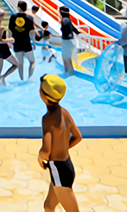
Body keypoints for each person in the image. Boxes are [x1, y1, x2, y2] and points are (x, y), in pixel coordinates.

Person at [38, 74, 82, 212]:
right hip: (66, 166)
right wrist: (62, 147)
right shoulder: (64, 112)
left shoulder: (47, 119)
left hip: (58, 169)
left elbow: (46, 150)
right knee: (49, 206)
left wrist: (40, 158)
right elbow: (77, 137)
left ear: (44, 95)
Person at [8, 1, 37, 81]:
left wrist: (9, 41)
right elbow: (32, 32)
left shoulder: (13, 17)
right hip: (26, 44)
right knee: (32, 62)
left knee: (20, 63)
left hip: (17, 44)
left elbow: (9, 31)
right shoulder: (29, 18)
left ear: (18, 7)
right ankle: (29, 78)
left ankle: (22, 79)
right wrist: (34, 43)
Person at [0, 9, 18, 85]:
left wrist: (7, 42)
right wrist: (10, 40)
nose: (3, 17)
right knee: (16, 64)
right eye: (2, 15)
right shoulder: (1, 27)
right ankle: (4, 77)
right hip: (4, 50)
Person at [59, 7, 78, 76]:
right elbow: (72, 28)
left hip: (67, 41)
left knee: (67, 58)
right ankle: (66, 72)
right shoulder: (68, 20)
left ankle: (70, 73)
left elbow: (68, 30)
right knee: (65, 57)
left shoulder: (65, 20)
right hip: (69, 41)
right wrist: (77, 32)